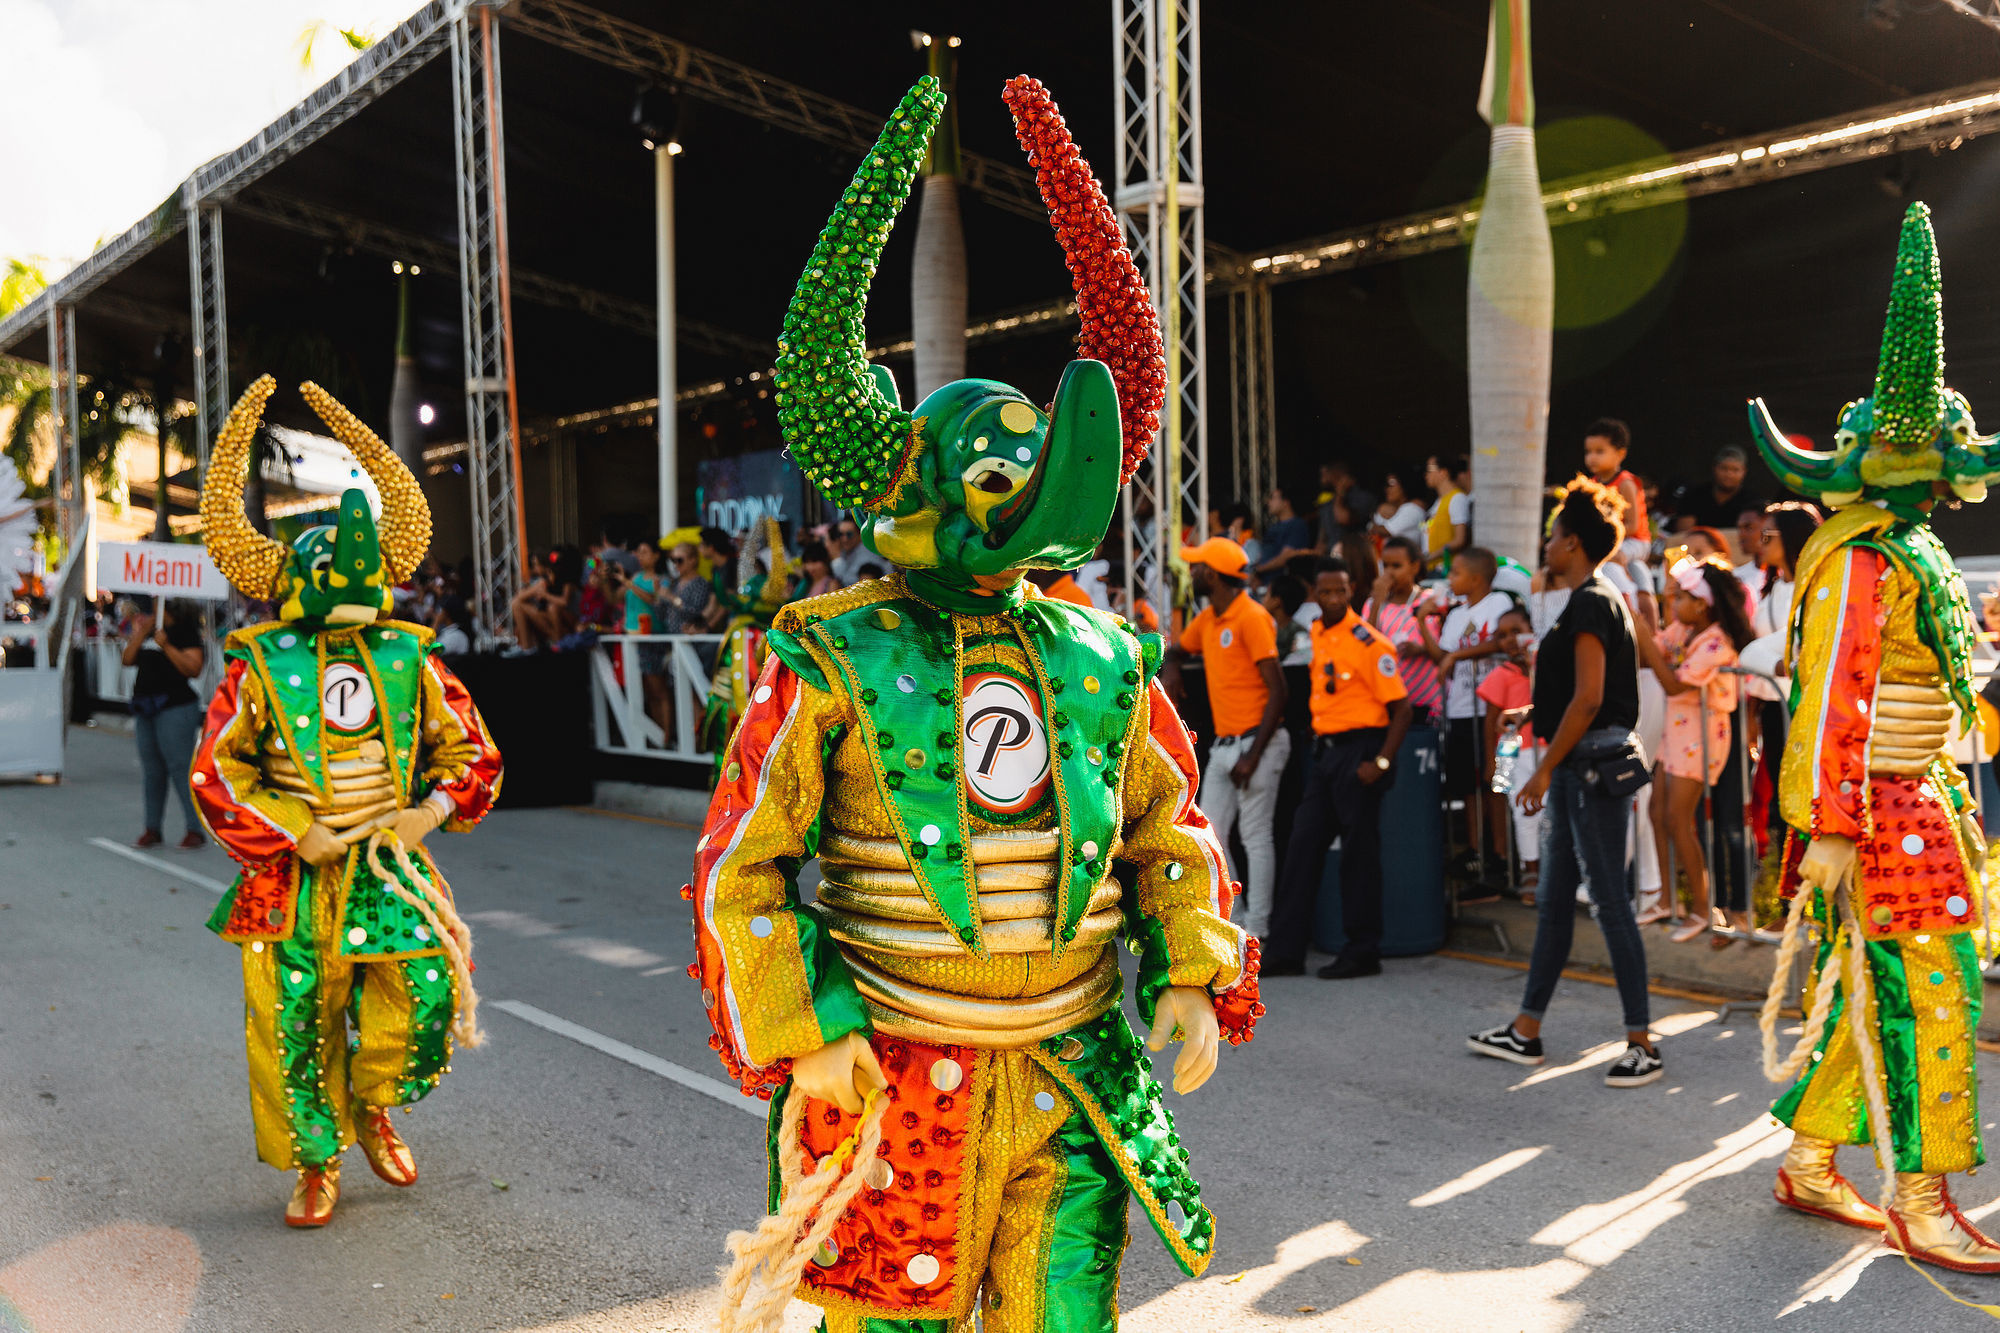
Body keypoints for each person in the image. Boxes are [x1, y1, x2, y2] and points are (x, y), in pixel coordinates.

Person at [695, 77, 1258, 1327]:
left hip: (1072, 1062)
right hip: (899, 1068)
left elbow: (1169, 821)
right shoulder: (830, 657)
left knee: (1066, 1314)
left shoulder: (1101, 655)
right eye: (997, 477)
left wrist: (1184, 963)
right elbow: (743, 862)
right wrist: (805, 1019)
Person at [1745, 203, 2000, 1270]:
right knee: (1927, 983)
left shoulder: (1912, 546)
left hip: (1920, 793)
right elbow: (1827, 701)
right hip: (1878, 810)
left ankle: (1808, 1160)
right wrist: (1832, 826)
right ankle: (1919, 1192)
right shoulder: (1858, 557)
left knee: (1873, 981)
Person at [188, 376, 502, 1227]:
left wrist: (429, 813)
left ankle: (373, 1103)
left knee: (428, 995)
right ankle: (316, 1162)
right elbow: (217, 774)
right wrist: (296, 831)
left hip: (391, 865)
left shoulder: (410, 658)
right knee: (295, 1026)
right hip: (293, 878)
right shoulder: (258, 664)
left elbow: (472, 753)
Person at [1468, 477, 1658, 1086]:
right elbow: (1575, 697)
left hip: (1588, 772)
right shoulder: (1590, 598)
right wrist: (1536, 717)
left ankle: (1642, 1043)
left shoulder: (1592, 601)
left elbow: (1591, 698)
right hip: (1579, 765)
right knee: (1554, 905)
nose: (1545, 546)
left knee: (1607, 904)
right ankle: (1526, 1032)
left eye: (1552, 537)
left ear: (1571, 543)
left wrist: (1544, 770)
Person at [1264, 555, 1411, 979]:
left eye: (1341, 591)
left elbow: (1401, 709)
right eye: (1325, 591)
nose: (1333, 598)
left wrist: (1381, 761)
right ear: (1316, 594)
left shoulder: (1370, 643)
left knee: (1358, 855)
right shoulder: (1317, 631)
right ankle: (1287, 950)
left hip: (1361, 751)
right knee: (1301, 846)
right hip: (1326, 753)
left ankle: (1363, 951)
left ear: (1351, 592)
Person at [1164, 537, 1290, 941]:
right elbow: (1175, 650)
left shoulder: (1250, 617)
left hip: (1257, 743)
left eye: (1197, 567)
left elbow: (1279, 690)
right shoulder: (1212, 617)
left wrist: (1253, 755)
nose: (1192, 572)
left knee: (1255, 836)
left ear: (1212, 575)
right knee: (1211, 834)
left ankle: (1259, 928)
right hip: (1227, 744)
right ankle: (1237, 921)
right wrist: (1173, 670)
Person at [1638, 557, 1753, 943]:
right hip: (1677, 733)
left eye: (1681, 597)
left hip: (1701, 738)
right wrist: (1644, 635)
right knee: (1657, 812)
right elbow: (1655, 649)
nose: (1674, 605)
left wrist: (1642, 632)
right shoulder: (1684, 630)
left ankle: (1703, 908)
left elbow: (1674, 684)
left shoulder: (1717, 641)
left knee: (1678, 818)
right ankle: (1669, 899)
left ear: (1702, 604)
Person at [1425, 546, 1513, 888]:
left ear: (1476, 578)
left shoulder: (1499, 604)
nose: (1450, 579)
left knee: (1496, 782)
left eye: (1456, 573)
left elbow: (1500, 642)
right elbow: (1443, 657)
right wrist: (1423, 621)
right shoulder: (1457, 614)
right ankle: (1475, 852)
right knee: (1468, 784)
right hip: (1461, 708)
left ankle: (1500, 855)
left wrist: (1458, 655)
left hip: (1493, 710)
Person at [124, 596, 207, 849]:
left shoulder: (185, 632)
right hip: (146, 707)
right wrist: (142, 632)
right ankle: (152, 828)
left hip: (175, 707)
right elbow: (127, 659)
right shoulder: (149, 629)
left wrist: (167, 646)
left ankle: (195, 828)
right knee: (152, 771)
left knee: (180, 768)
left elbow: (193, 668)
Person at [1477, 606, 1539, 895]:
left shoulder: (1545, 666)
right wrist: (1492, 763)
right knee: (1522, 811)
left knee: (1551, 809)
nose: (1510, 640)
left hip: (1546, 749)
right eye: (1502, 636)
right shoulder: (1502, 674)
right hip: (1512, 752)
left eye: (1516, 631)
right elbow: (1491, 721)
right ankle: (1532, 871)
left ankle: (1555, 869)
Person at [1362, 536, 1443, 726]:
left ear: (1414, 567)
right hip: (1386, 701)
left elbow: (1445, 648)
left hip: (1426, 701)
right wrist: (1377, 603)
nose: (1389, 573)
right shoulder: (1373, 604)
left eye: (1396, 566)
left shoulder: (1430, 601)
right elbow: (1366, 645)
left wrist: (1421, 649)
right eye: (1386, 566)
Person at [1582, 417, 1651, 564]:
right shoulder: (1592, 483)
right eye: (1588, 452)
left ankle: (1629, 587)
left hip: (1635, 542)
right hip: (1608, 539)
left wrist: (1602, 536)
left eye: (1599, 452)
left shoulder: (1625, 483)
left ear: (1620, 454)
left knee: (1611, 557)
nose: (1591, 458)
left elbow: (1633, 526)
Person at [1668, 445, 1759, 533]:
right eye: (1724, 468)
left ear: (1744, 472)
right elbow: (1684, 533)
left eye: (1735, 470)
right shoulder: (1695, 495)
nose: (1729, 474)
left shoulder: (1752, 502)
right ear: (1714, 468)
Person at [1423, 453, 1471, 573]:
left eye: (1429, 470)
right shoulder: (1438, 502)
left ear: (1443, 472)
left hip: (1445, 569)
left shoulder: (1457, 498)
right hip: (1431, 567)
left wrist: (1432, 555)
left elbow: (1459, 540)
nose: (1426, 475)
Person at [1255, 484, 1313, 579]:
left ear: (1285, 502)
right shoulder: (1273, 527)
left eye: (1272, 498)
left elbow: (1287, 556)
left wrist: (1260, 569)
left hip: (1281, 582)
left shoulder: (1297, 525)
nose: (1268, 502)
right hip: (1263, 583)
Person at [1265, 573, 1312, 665]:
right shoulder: (1267, 627)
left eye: (1267, 595)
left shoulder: (1299, 635)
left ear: (1276, 601)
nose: (1264, 599)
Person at [1372, 470, 1427, 547]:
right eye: (1386, 485)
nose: (1387, 489)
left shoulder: (1413, 508)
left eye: (1392, 483)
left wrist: (1372, 526)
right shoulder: (1387, 508)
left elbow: (1384, 531)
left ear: (1405, 484)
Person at [826, 515, 867, 586]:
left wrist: (837, 558)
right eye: (840, 534)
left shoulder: (866, 554)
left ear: (860, 534)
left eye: (849, 534)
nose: (844, 539)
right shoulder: (848, 551)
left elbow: (847, 583)